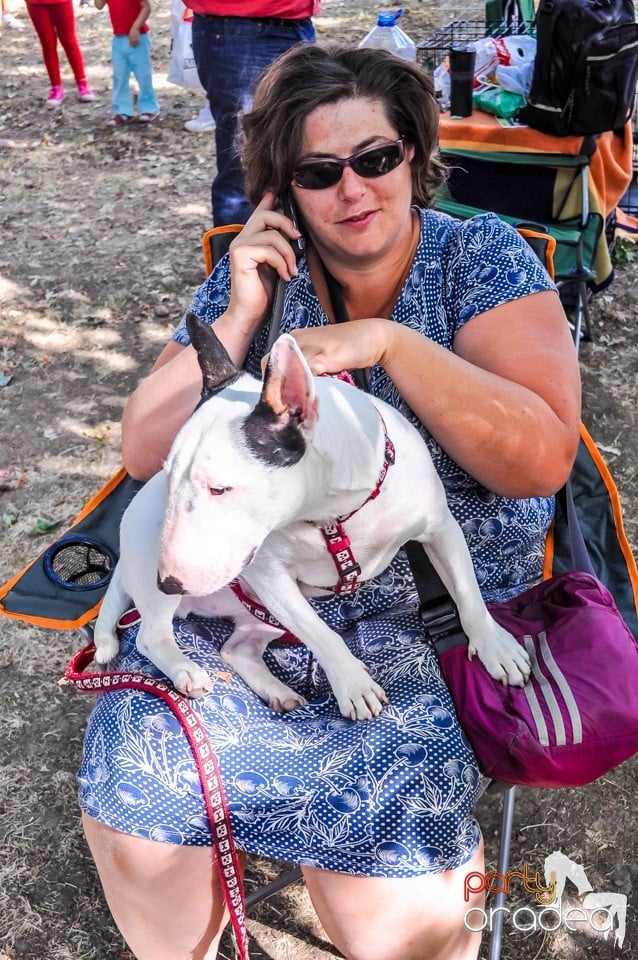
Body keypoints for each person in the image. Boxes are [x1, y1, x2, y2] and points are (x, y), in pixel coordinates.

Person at [78, 45, 582, 960]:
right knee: (136, 800)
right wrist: (236, 313)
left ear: (414, 157)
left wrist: (386, 343)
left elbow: (542, 458)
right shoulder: (261, 285)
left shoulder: (480, 258)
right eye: (319, 171)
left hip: (430, 613)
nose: (354, 189)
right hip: (256, 597)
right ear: (285, 193)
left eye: (377, 158)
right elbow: (147, 453)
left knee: (381, 874)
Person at [188, 1, 319, 225]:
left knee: (303, 154)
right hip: (241, 29)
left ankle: (294, 255)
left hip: (295, 23)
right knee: (244, 171)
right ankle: (236, 259)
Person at [94, 0, 159, 125]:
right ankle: (122, 110)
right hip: (118, 39)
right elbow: (99, 5)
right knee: (119, 76)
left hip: (139, 37)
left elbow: (146, 7)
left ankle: (149, 107)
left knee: (143, 74)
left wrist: (135, 28)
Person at [25, 0, 95, 106]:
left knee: (69, 41)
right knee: (47, 44)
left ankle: (82, 83)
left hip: (62, 2)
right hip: (36, 3)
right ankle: (56, 87)